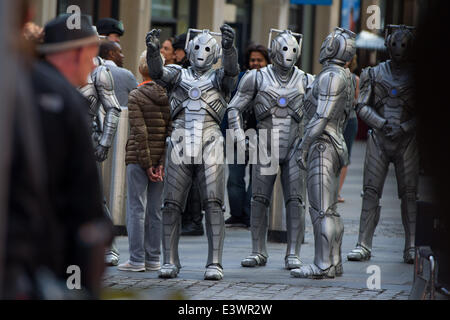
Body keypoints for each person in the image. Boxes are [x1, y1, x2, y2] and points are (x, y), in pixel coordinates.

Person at [3, 8, 112, 298]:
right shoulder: (66, 100)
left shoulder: (17, 85)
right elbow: (83, 193)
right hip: (44, 252)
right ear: (75, 53)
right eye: (91, 56)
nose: (92, 66)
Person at [146, 25, 239, 280]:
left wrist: (231, 49)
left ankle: (215, 262)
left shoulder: (220, 78)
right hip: (179, 139)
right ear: (189, 49)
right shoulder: (177, 74)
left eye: (208, 48)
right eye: (197, 47)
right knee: (171, 204)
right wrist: (153, 51)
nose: (201, 52)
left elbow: (232, 72)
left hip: (210, 140)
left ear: (215, 53)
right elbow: (157, 72)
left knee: (214, 203)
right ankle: (170, 261)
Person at [227, 30, 313, 270]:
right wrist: (240, 137)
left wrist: (312, 142)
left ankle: (293, 253)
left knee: (296, 201)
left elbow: (320, 112)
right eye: (284, 49)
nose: (288, 54)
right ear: (273, 50)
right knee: (258, 200)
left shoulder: (307, 79)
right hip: (264, 143)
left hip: (295, 146)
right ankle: (258, 251)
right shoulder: (256, 77)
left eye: (293, 49)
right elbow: (234, 108)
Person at [347, 25, 417, 264]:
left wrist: (404, 127)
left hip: (407, 140)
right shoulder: (374, 73)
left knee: (409, 195)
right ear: (388, 45)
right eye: (395, 44)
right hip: (379, 138)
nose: (398, 50)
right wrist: (381, 122)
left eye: (404, 45)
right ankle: (363, 243)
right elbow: (362, 105)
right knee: (370, 191)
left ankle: (411, 245)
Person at [291, 27, 356, 279]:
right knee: (330, 209)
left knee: (321, 210)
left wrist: (304, 145)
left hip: (323, 144)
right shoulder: (345, 74)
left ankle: (323, 264)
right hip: (334, 142)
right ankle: (334, 262)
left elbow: (321, 115)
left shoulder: (331, 75)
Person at [118, 51, 171, 272]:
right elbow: (169, 130)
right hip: (160, 160)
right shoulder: (167, 95)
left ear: (141, 69)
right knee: (155, 210)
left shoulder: (136, 96)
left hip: (139, 158)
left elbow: (139, 132)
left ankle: (136, 260)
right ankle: (154, 259)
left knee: (136, 208)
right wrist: (158, 163)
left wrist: (147, 163)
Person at [79, 37, 122, 267]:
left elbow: (113, 108)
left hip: (87, 139)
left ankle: (109, 247)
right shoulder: (55, 66)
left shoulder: (99, 72)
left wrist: (105, 142)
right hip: (57, 138)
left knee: (95, 197)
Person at [224, 44, 270, 228]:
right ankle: (237, 214)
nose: (256, 63)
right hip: (237, 134)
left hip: (263, 135)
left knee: (257, 178)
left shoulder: (271, 80)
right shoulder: (239, 79)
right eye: (253, 60)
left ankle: (251, 215)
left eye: (260, 60)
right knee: (234, 177)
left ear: (267, 61)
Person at [338, 54, 359, 203]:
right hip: (332, 120)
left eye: (348, 58)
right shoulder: (329, 75)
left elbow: (356, 101)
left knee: (345, 156)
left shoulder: (355, 79)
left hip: (349, 120)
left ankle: (336, 192)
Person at [99, 40, 138, 106]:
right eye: (120, 52)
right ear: (112, 54)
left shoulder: (91, 73)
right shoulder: (126, 74)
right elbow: (141, 97)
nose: (123, 56)